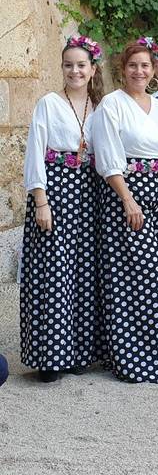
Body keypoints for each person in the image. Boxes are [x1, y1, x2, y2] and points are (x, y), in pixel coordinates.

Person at [90, 37, 158, 384]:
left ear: (154, 69)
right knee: (132, 277)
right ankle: (131, 358)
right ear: (123, 69)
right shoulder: (112, 104)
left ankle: (155, 354)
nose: (140, 71)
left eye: (146, 65)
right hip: (128, 195)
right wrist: (128, 199)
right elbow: (108, 156)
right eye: (133, 66)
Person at [20, 34, 105, 383]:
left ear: (92, 68)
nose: (75, 71)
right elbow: (35, 153)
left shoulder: (100, 107)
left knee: (83, 273)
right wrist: (41, 199)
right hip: (55, 190)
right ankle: (50, 357)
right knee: (54, 273)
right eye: (69, 65)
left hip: (88, 192)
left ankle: (77, 353)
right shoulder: (49, 103)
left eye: (81, 65)